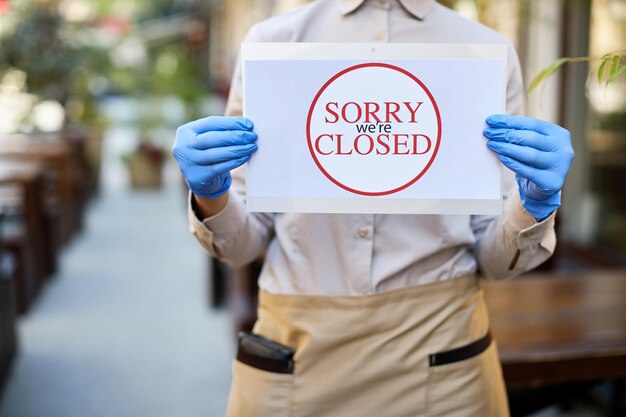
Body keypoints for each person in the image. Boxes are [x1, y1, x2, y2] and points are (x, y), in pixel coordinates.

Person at [172, 1, 575, 416]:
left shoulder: (482, 52)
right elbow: (242, 247)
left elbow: (495, 262)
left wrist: (534, 204)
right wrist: (212, 193)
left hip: (441, 357)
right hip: (300, 352)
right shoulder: (275, 44)